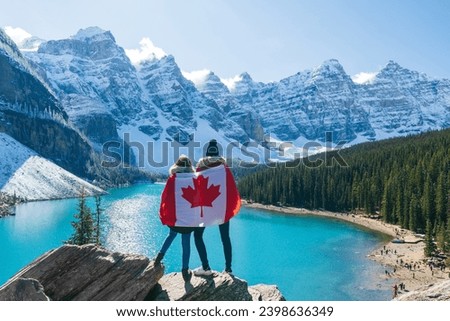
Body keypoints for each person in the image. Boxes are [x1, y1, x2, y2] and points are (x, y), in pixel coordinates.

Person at [193, 139, 235, 276]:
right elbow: (231, 188)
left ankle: (206, 268)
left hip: (205, 208)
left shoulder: (200, 167)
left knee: (198, 235)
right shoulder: (224, 168)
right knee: (225, 238)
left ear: (206, 153)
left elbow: (196, 187)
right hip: (221, 208)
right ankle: (228, 269)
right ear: (218, 153)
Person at [154, 155, 196, 281]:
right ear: (189, 167)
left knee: (171, 235)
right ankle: (185, 271)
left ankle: (158, 258)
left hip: (175, 219)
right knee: (186, 243)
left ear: (176, 166)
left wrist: (163, 212)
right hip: (188, 220)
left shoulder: (173, 178)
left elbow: (165, 196)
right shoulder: (195, 179)